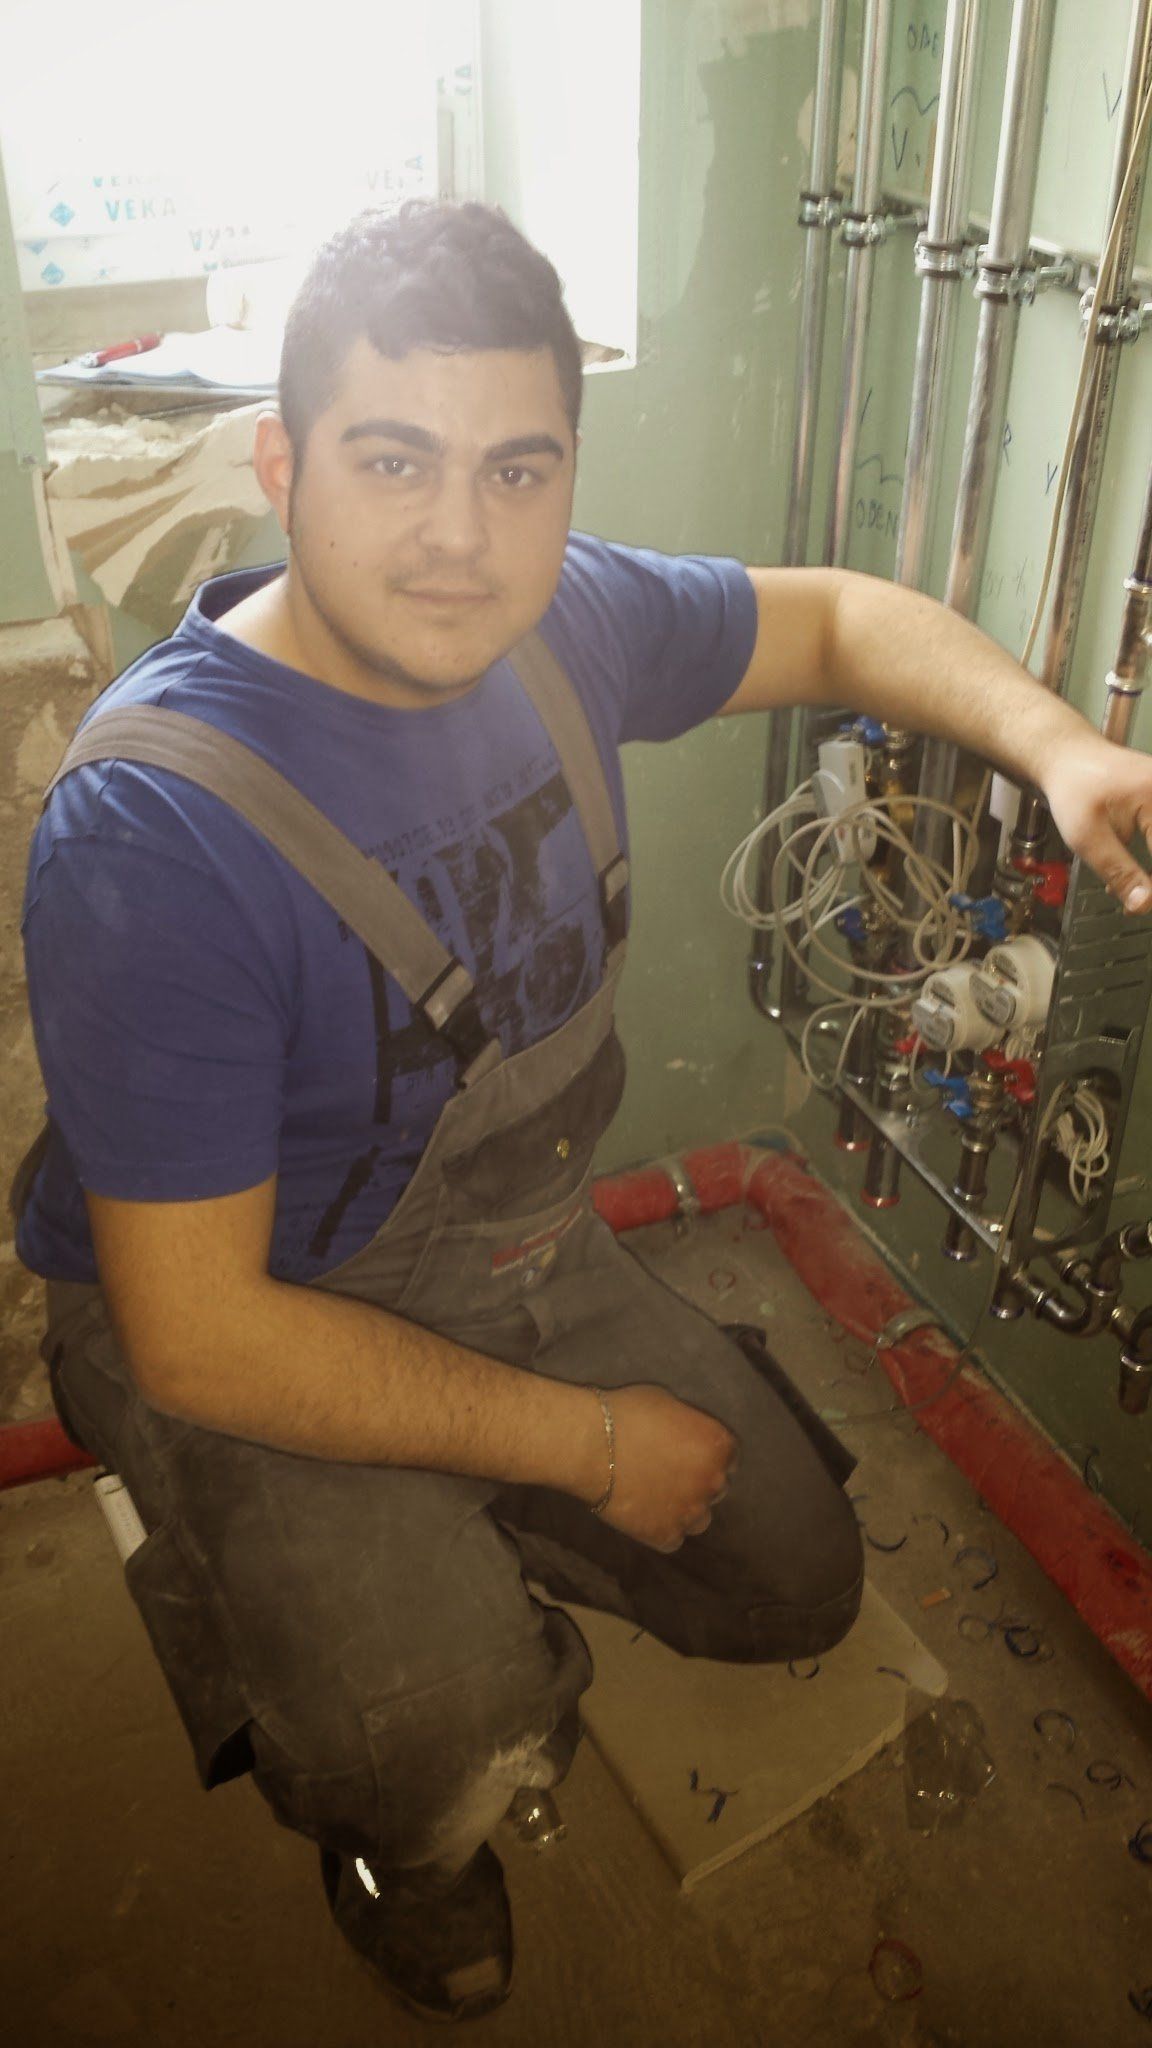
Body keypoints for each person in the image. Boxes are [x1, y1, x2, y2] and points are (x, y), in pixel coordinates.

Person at [15, 201, 1152, 2023]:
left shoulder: (568, 626)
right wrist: (595, 1446)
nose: (460, 539)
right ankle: (374, 1814)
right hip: (242, 1313)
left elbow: (837, 616)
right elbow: (200, 1329)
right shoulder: (156, 831)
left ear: (563, 474)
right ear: (283, 466)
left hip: (509, 1254)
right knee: (444, 1734)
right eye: (394, 461)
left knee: (798, 1588)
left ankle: (464, 1515)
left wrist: (1060, 744)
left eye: (517, 470)